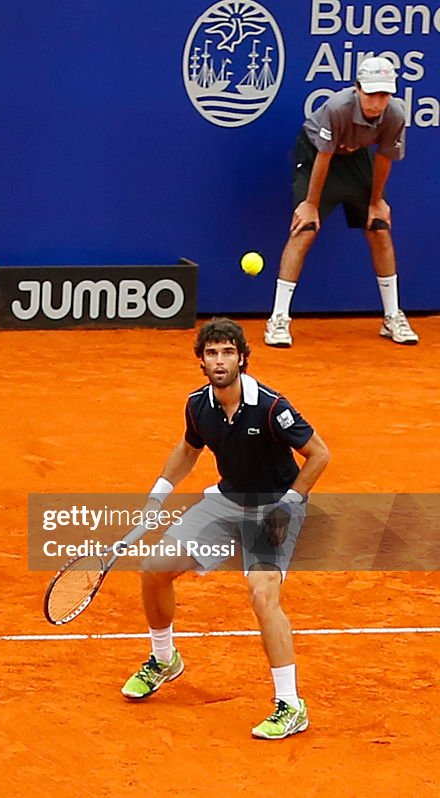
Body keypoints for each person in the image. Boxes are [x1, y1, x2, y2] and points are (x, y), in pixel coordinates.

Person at [120, 318, 330, 740]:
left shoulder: (271, 407)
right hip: (226, 501)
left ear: (242, 359)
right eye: (212, 353)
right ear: (202, 360)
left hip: (274, 507)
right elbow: (188, 447)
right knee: (153, 568)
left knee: (262, 593)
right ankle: (164, 659)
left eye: (227, 352)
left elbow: (319, 454)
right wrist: (157, 496)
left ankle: (290, 705)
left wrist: (287, 507)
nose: (220, 360)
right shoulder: (198, 405)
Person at [265, 56, 419, 347]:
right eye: (371, 93)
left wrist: (376, 201)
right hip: (316, 155)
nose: (376, 101)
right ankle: (279, 319)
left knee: (379, 227)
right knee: (305, 228)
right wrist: (310, 203)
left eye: (383, 94)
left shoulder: (396, 114)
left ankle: (392, 316)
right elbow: (324, 156)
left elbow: (384, 158)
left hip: (354, 157)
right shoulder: (338, 108)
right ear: (357, 88)